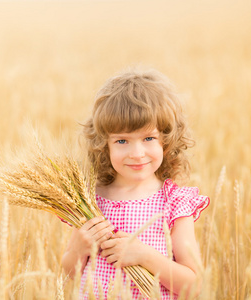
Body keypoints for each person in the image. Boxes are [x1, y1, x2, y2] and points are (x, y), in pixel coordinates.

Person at [61, 67, 210, 299]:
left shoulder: (173, 203)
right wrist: (79, 250)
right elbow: (71, 273)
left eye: (149, 138)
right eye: (122, 141)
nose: (137, 153)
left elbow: (195, 284)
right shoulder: (89, 200)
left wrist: (144, 256)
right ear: (104, 145)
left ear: (166, 141)